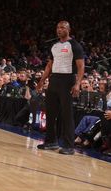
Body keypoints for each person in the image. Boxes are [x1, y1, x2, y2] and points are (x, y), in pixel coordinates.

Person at [36, 21, 85, 155]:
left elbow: (81, 66)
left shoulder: (74, 45)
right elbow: (49, 65)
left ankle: (69, 146)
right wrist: (42, 81)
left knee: (67, 114)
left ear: (68, 29)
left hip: (68, 79)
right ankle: (51, 141)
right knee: (50, 112)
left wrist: (77, 83)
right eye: (57, 27)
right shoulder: (54, 46)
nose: (59, 30)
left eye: (62, 27)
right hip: (54, 79)